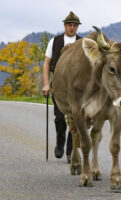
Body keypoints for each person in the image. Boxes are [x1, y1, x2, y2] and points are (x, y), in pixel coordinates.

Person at [42, 11, 82, 163]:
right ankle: (60, 142)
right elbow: (46, 63)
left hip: (78, 87)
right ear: (65, 25)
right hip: (59, 86)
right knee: (60, 118)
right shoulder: (55, 41)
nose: (72, 28)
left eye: (75, 25)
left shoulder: (82, 42)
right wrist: (46, 84)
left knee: (76, 118)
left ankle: (71, 151)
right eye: (70, 25)